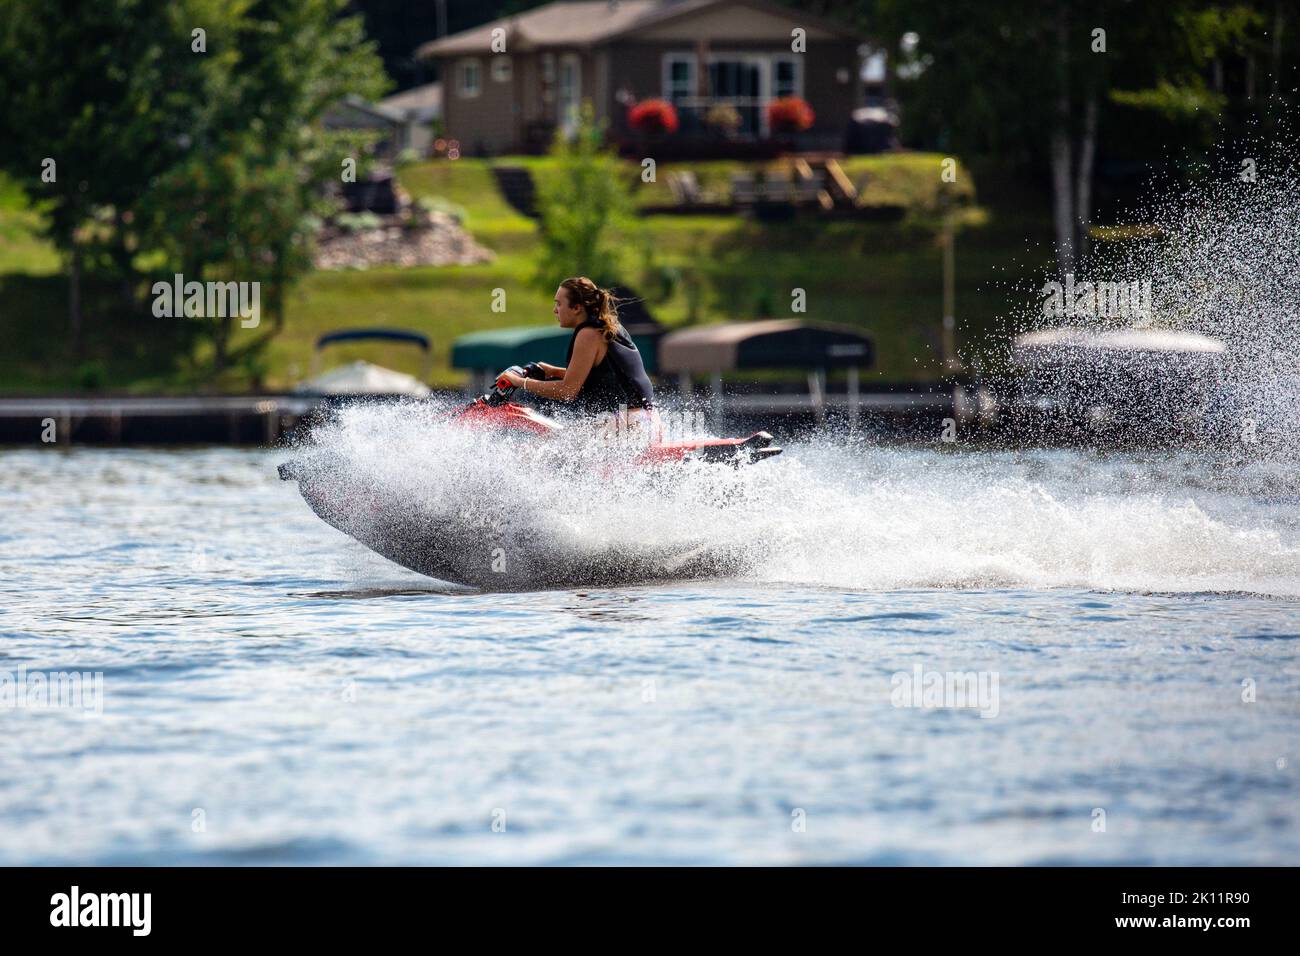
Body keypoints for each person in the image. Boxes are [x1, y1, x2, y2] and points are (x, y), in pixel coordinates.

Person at [498, 277, 662, 446]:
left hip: (630, 425)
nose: (555, 310)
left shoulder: (589, 334)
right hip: (644, 422)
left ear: (577, 308)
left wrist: (519, 382)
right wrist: (554, 371)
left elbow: (567, 391)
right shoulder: (607, 325)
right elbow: (600, 377)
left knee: (537, 450)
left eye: (559, 304)